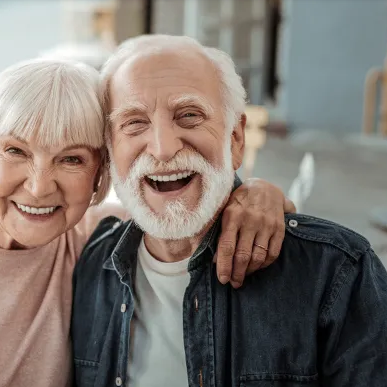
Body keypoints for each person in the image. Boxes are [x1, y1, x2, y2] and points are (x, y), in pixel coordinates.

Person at [0, 58, 292, 387]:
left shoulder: (93, 237)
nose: (40, 187)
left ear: (102, 174)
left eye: (71, 160)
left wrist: (256, 193)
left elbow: (188, 204)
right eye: (15, 151)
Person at [70, 34, 387, 387]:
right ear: (111, 149)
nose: (162, 148)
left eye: (189, 116)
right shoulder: (89, 264)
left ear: (235, 139)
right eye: (134, 123)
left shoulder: (335, 272)